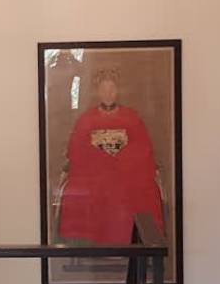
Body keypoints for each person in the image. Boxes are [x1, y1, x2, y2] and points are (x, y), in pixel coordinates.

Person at [57, 68, 165, 245]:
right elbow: (76, 148)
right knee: (82, 192)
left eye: (112, 89)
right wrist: (99, 158)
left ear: (118, 91)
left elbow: (143, 147)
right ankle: (92, 244)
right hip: (94, 172)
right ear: (98, 92)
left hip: (126, 171)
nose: (108, 94)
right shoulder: (86, 119)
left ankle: (132, 243)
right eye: (104, 89)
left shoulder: (131, 117)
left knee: (143, 191)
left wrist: (122, 158)